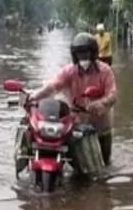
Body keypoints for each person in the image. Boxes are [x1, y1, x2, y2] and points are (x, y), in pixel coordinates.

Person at [28, 32, 118, 165]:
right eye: (79, 54)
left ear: (93, 53)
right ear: (75, 55)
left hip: (101, 124)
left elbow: (112, 94)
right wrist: (34, 96)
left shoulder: (105, 71)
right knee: (74, 160)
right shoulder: (69, 72)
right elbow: (53, 86)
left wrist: (100, 103)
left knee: (104, 163)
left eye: (86, 53)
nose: (83, 57)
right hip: (77, 123)